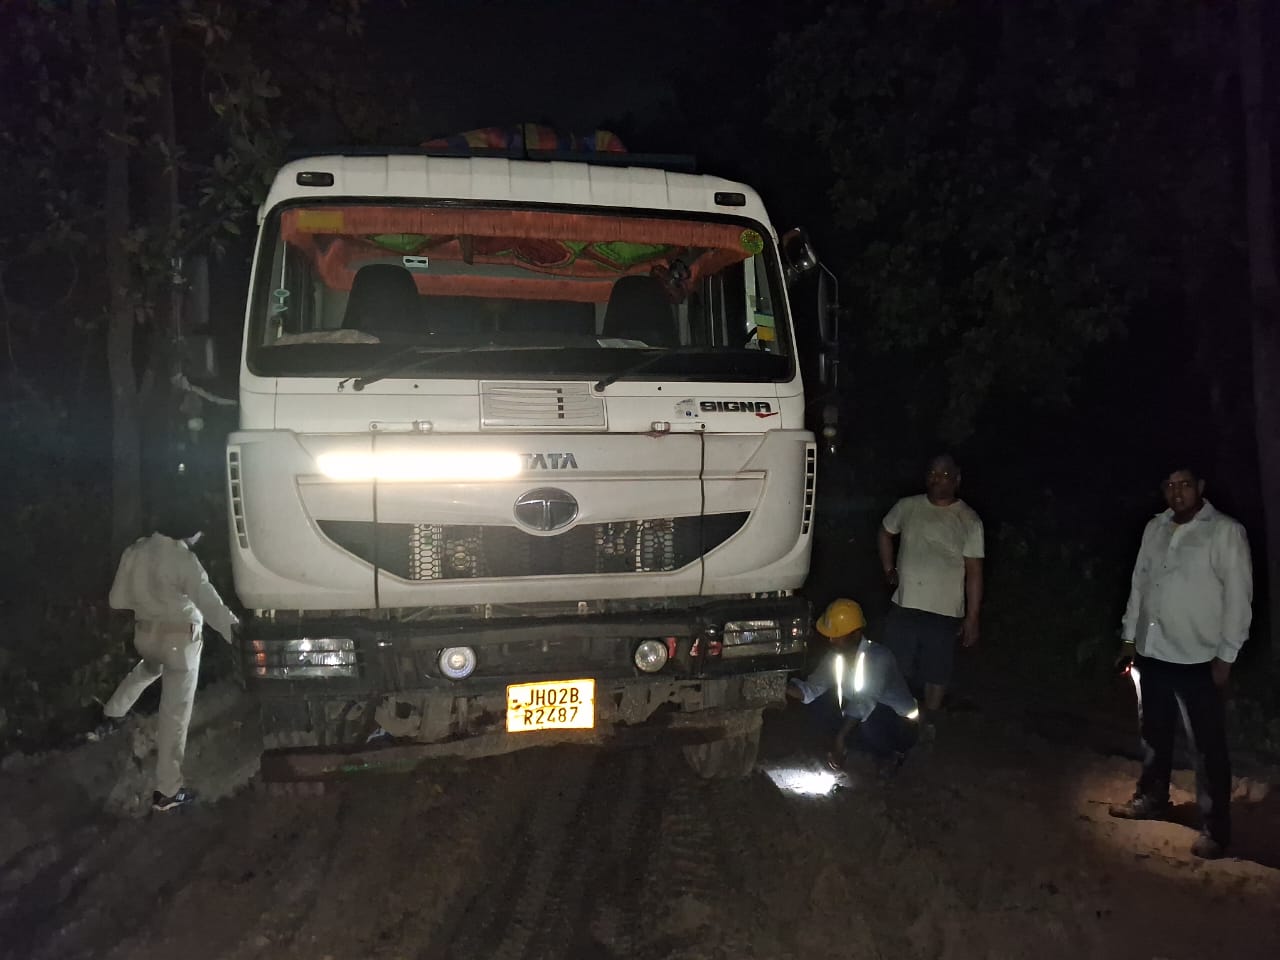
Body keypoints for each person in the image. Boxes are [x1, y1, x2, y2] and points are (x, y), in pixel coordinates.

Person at [1109, 463, 1252, 860]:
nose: (1177, 492)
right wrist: (1129, 639)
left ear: (1200, 487)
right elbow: (1139, 584)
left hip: (1198, 656)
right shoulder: (1154, 528)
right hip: (1153, 650)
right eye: (1170, 485)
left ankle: (1215, 828)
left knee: (1206, 745)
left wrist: (1226, 655)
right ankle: (1152, 797)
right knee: (1153, 732)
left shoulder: (1224, 532)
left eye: (1185, 484)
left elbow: (1239, 598)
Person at [102, 502, 240, 812]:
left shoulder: (135, 551)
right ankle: (167, 792)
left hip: (145, 636)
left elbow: (116, 599)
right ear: (187, 530)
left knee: (148, 668)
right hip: (179, 642)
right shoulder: (183, 559)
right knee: (174, 716)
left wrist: (148, 601)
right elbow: (212, 606)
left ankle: (111, 714)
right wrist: (240, 637)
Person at [877, 454, 984, 724]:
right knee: (895, 665)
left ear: (957, 479)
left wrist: (972, 617)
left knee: (937, 671)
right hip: (905, 603)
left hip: (945, 610)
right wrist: (889, 568)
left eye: (944, 475)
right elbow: (885, 532)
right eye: (933, 474)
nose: (937, 480)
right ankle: (895, 721)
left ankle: (929, 725)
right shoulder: (908, 506)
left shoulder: (969, 519)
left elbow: (974, 572)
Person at [787, 599, 920, 771]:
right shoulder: (835, 656)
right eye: (831, 635)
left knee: (868, 718)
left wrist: (840, 738)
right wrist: (780, 688)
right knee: (819, 705)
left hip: (900, 724)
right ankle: (854, 750)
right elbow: (812, 689)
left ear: (856, 634)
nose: (831, 640)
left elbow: (864, 703)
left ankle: (892, 754)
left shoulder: (878, 657)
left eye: (838, 636)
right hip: (867, 717)